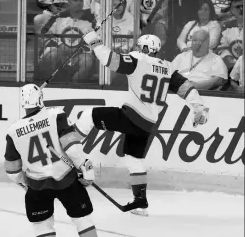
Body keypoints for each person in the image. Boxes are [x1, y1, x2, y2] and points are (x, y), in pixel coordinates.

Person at [72, 27, 209, 216]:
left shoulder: (139, 60)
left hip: (132, 117)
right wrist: (199, 107)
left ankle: (68, 148)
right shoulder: (168, 67)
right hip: (148, 124)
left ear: (145, 48)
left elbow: (111, 60)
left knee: (88, 116)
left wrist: (93, 40)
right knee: (134, 159)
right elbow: (188, 88)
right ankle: (140, 202)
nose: (135, 49)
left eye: (138, 46)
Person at [4, 84, 100, 237]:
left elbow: (12, 170)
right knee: (83, 219)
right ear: (41, 99)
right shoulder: (56, 115)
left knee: (42, 226)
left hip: (36, 187)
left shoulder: (13, 131)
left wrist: (25, 183)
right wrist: (84, 166)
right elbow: (72, 147)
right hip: (67, 181)